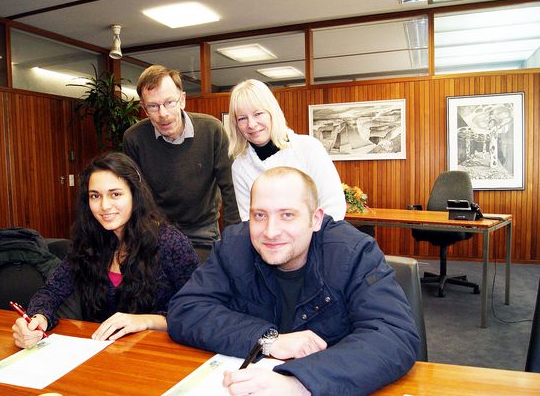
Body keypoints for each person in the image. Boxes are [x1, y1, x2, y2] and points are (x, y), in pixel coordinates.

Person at [167, 167, 419, 396]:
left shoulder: (353, 253)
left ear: (315, 219)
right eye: (259, 215)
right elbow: (186, 310)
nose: (271, 231)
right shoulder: (234, 246)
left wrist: (299, 382)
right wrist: (268, 339)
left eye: (287, 215)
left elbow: (393, 334)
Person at [12, 152, 199, 348]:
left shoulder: (170, 242)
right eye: (95, 196)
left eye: (115, 194)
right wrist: (38, 319)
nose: (104, 206)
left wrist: (145, 320)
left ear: (135, 195)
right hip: (101, 356)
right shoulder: (88, 241)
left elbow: (198, 309)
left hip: (160, 357)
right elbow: (51, 291)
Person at [123, 65, 240, 253]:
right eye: (153, 106)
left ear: (182, 100)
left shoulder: (212, 130)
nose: (163, 113)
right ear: (144, 109)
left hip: (202, 229)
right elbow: (134, 193)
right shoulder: (134, 139)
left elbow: (231, 189)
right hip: (157, 229)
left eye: (169, 102)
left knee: (202, 280)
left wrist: (233, 240)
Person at [227, 79, 346, 221]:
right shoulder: (240, 167)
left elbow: (333, 207)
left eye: (258, 114)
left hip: (317, 238)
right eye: (242, 118)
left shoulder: (309, 148)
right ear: (235, 124)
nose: (251, 124)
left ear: (272, 113)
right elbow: (249, 219)